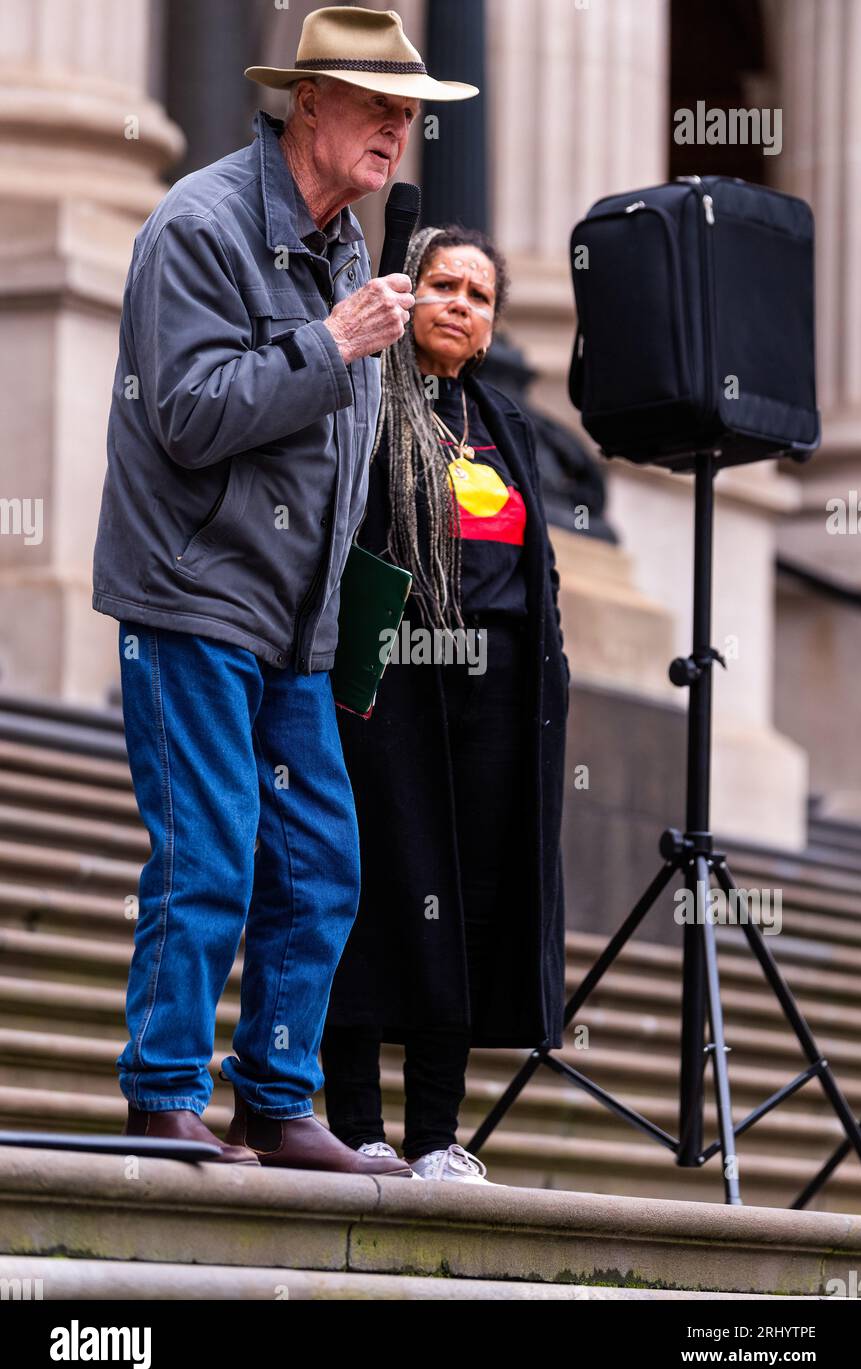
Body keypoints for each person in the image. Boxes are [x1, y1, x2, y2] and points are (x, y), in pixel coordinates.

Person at [90, 7, 477, 1172]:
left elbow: (342, 467)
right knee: (208, 850)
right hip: (193, 597)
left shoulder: (349, 251)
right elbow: (190, 413)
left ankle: (275, 1097)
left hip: (295, 630)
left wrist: (346, 633)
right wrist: (331, 342)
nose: (397, 132)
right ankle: (164, 1094)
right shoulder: (199, 224)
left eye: (409, 116)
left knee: (320, 865)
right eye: (377, 107)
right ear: (307, 102)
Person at [321, 224, 570, 1183]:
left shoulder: (505, 422)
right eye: (443, 284)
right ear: (406, 291)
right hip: (390, 687)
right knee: (369, 888)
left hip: (497, 703)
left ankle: (434, 1134)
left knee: (465, 910)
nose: (461, 304)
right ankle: (354, 1125)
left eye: (479, 294)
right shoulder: (367, 398)